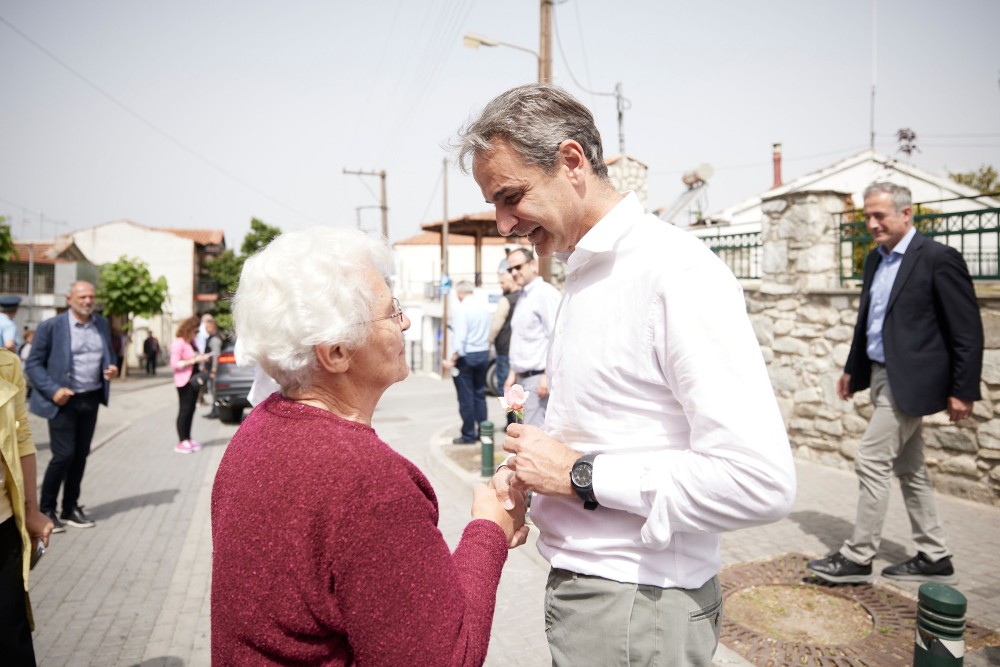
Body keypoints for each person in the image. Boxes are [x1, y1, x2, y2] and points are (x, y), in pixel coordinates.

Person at [456, 83, 796, 666]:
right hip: (608, 603)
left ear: (571, 162)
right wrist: (538, 483)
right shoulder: (585, 271)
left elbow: (759, 481)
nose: (504, 223)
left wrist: (580, 476)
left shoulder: (675, 272)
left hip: (638, 609)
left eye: (510, 196)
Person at [211, 227, 527, 665]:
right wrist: (490, 528)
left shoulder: (256, 429)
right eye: (391, 311)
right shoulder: (366, 480)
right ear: (336, 352)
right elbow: (444, 657)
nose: (406, 322)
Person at [806, 182, 984, 586]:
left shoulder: (939, 258)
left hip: (914, 382)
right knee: (911, 468)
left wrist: (964, 389)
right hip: (882, 375)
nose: (871, 223)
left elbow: (967, 330)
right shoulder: (875, 260)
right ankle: (935, 555)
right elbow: (868, 320)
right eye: (867, 216)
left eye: (879, 215)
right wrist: (853, 369)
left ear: (907, 214)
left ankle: (858, 556)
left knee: (870, 458)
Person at [25, 280, 117, 533]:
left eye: (91, 296)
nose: (88, 301)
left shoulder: (102, 324)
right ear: (69, 299)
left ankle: (70, 507)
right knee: (64, 454)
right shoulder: (51, 327)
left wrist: (110, 368)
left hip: (91, 397)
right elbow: (32, 364)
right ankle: (46, 509)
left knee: (80, 455)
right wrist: (53, 390)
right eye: (83, 297)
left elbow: (107, 354)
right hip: (63, 401)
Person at [1, 349, 55, 665]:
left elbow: (22, 441)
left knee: (11, 636)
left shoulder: (6, 365)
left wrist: (31, 511)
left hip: (3, 523)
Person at [502, 247, 560, 428]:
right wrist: (512, 374)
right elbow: (520, 339)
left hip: (537, 379)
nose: (514, 273)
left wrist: (546, 375)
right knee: (522, 431)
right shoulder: (523, 296)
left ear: (532, 265)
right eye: (510, 269)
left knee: (534, 433)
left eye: (518, 267)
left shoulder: (545, 293)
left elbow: (557, 335)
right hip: (522, 378)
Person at [442, 281, 492, 444]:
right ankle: (484, 432)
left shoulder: (462, 310)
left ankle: (468, 434)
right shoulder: (484, 309)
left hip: (467, 356)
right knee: (480, 395)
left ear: (461, 292)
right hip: (483, 354)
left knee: (466, 397)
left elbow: (460, 339)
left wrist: (452, 360)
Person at [169, 316, 210, 454]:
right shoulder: (179, 343)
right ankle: (181, 441)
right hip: (183, 382)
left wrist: (201, 359)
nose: (197, 334)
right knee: (184, 410)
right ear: (188, 329)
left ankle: (187, 437)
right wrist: (193, 360)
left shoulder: (191, 342)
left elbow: (195, 357)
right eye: (195, 331)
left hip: (193, 381)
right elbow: (174, 364)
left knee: (191, 410)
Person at [489, 270, 520, 422]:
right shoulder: (523, 297)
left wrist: (489, 341)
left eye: (502, 282)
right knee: (519, 392)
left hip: (505, 352)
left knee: (507, 390)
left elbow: (496, 325)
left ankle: (513, 424)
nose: (501, 286)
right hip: (519, 351)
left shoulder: (505, 300)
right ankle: (519, 422)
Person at [200, 315, 223, 419]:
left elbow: (216, 355)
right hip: (212, 369)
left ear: (212, 326)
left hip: (215, 370)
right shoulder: (214, 337)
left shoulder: (215, 339)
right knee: (213, 391)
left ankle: (215, 412)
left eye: (206, 327)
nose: (205, 329)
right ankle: (214, 411)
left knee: (214, 391)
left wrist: (214, 369)